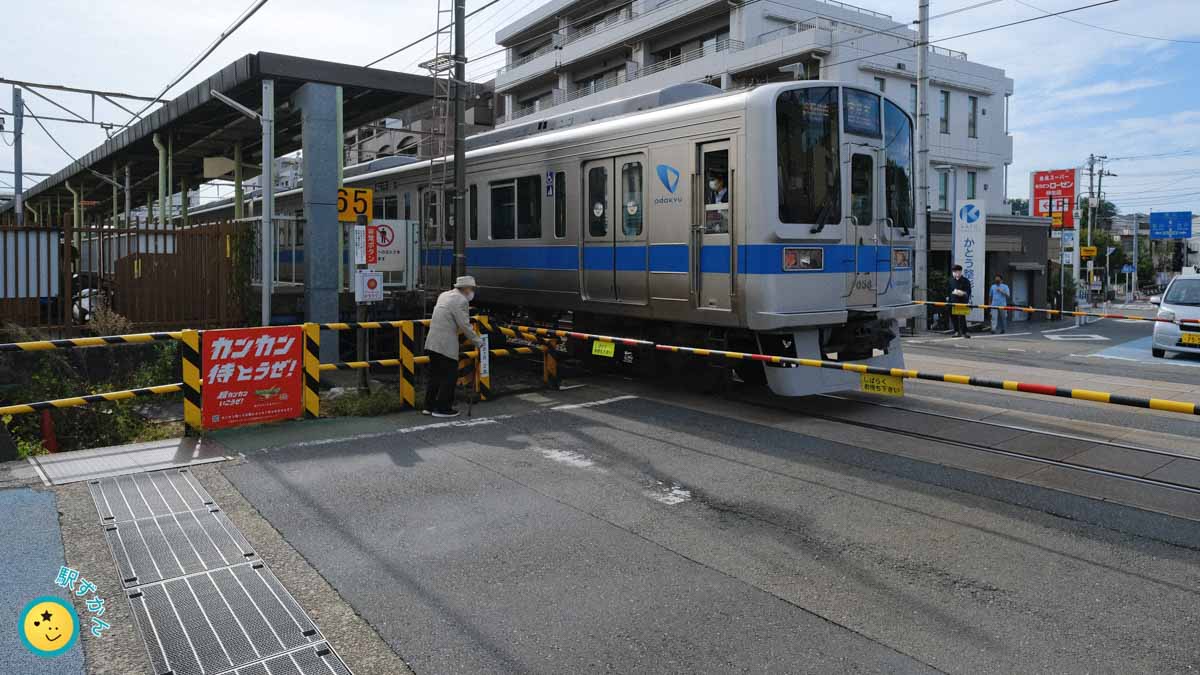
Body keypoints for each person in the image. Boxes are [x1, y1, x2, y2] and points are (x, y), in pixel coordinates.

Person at [423, 275, 483, 417]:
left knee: (435, 375)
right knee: (449, 376)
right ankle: (443, 409)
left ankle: (428, 406)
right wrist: (478, 341)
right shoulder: (461, 300)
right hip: (446, 344)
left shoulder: (444, 295)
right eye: (471, 288)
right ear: (466, 289)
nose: (472, 291)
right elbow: (464, 325)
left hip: (432, 341)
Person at [948, 264, 972, 338]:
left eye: (956, 271)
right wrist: (948, 297)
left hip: (962, 301)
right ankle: (956, 331)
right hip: (952, 301)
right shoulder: (951, 280)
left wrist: (962, 293)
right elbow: (948, 290)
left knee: (962, 317)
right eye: (954, 271)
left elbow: (968, 291)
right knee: (953, 317)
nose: (955, 273)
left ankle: (965, 332)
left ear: (960, 272)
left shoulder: (965, 281)